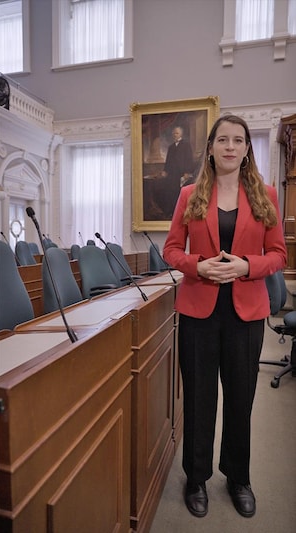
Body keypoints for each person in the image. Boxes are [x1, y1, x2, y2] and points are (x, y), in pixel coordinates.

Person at [163, 114, 286, 519]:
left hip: (245, 312)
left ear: (247, 148)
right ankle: (195, 478)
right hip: (199, 308)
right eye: (222, 140)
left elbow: (278, 254)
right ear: (211, 148)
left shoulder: (265, 194)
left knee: (240, 399)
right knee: (199, 399)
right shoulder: (188, 195)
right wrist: (198, 266)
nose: (230, 146)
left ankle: (238, 477)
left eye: (238, 140)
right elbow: (171, 250)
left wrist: (245, 267)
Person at [161, 126, 194, 218]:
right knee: (170, 192)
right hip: (172, 173)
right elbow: (168, 160)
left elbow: (189, 159)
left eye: (177, 133)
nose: (175, 135)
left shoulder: (186, 145)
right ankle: (171, 212)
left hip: (182, 173)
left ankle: (180, 213)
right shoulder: (171, 147)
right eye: (174, 133)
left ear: (181, 134)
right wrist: (165, 170)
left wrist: (187, 172)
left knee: (180, 193)